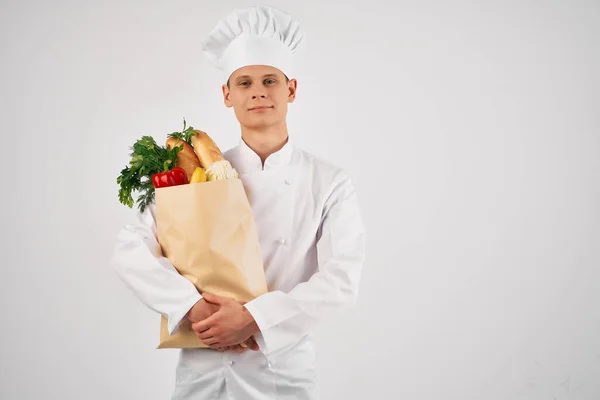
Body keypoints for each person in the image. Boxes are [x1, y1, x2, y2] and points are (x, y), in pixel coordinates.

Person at [110, 5, 366, 399]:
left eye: (270, 80)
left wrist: (253, 318)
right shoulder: (192, 173)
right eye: (244, 83)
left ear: (291, 89)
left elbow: (340, 281)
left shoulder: (329, 181)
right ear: (227, 95)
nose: (258, 91)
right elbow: (131, 249)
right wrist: (193, 308)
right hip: (201, 365)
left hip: (280, 372)